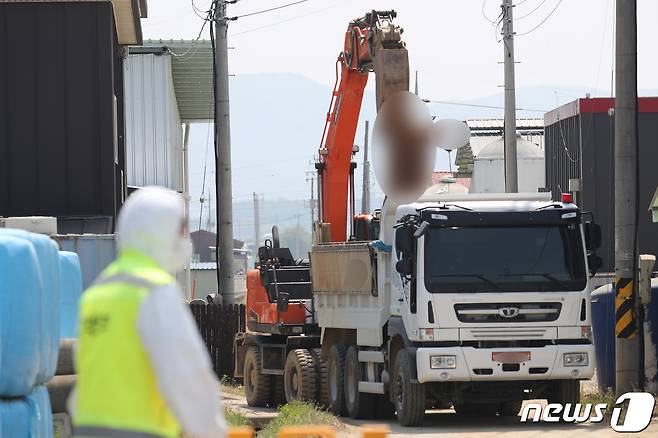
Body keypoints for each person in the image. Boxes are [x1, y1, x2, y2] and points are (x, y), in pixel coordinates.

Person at [70, 187, 226, 438]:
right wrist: (213, 432)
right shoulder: (154, 291)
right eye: (180, 230)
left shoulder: (96, 294)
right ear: (162, 233)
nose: (185, 240)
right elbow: (185, 375)